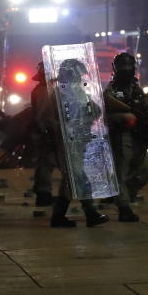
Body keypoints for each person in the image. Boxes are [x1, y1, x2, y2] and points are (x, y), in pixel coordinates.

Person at [42, 58, 109, 228]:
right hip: (66, 143)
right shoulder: (58, 94)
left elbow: (96, 110)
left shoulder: (78, 92)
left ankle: (58, 216)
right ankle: (90, 213)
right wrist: (64, 127)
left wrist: (85, 117)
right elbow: (45, 118)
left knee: (71, 180)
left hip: (79, 141)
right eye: (78, 75)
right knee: (78, 177)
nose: (81, 78)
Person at [103, 52, 148, 222]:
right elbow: (105, 111)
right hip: (123, 136)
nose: (127, 70)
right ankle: (123, 207)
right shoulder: (112, 90)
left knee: (146, 172)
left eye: (129, 66)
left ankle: (121, 195)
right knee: (120, 174)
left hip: (139, 136)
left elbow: (145, 109)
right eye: (123, 67)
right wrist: (124, 116)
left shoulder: (137, 89)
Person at [30, 62, 57, 207]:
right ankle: (43, 194)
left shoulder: (41, 90)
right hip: (46, 132)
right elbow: (41, 115)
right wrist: (45, 132)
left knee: (44, 163)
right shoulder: (43, 91)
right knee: (46, 164)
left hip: (45, 131)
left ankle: (42, 193)